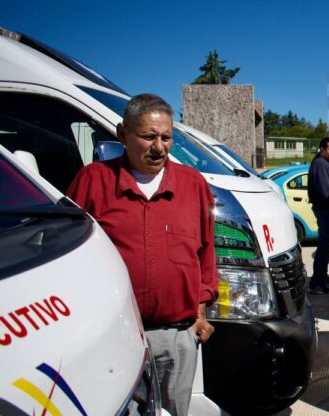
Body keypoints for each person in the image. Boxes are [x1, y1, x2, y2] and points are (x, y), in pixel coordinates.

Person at [67, 94, 217, 416]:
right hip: (114, 336)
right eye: (148, 136)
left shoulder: (194, 186)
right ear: (122, 134)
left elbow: (205, 255)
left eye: (166, 138)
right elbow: (69, 258)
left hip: (177, 336)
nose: (159, 147)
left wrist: (201, 313)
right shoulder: (92, 182)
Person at [308, 136, 329, 293]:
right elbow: (324, 191)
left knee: (325, 247)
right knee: (323, 248)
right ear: (322, 149)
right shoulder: (320, 164)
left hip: (326, 212)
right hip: (326, 212)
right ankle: (317, 283)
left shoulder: (322, 163)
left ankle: (322, 276)